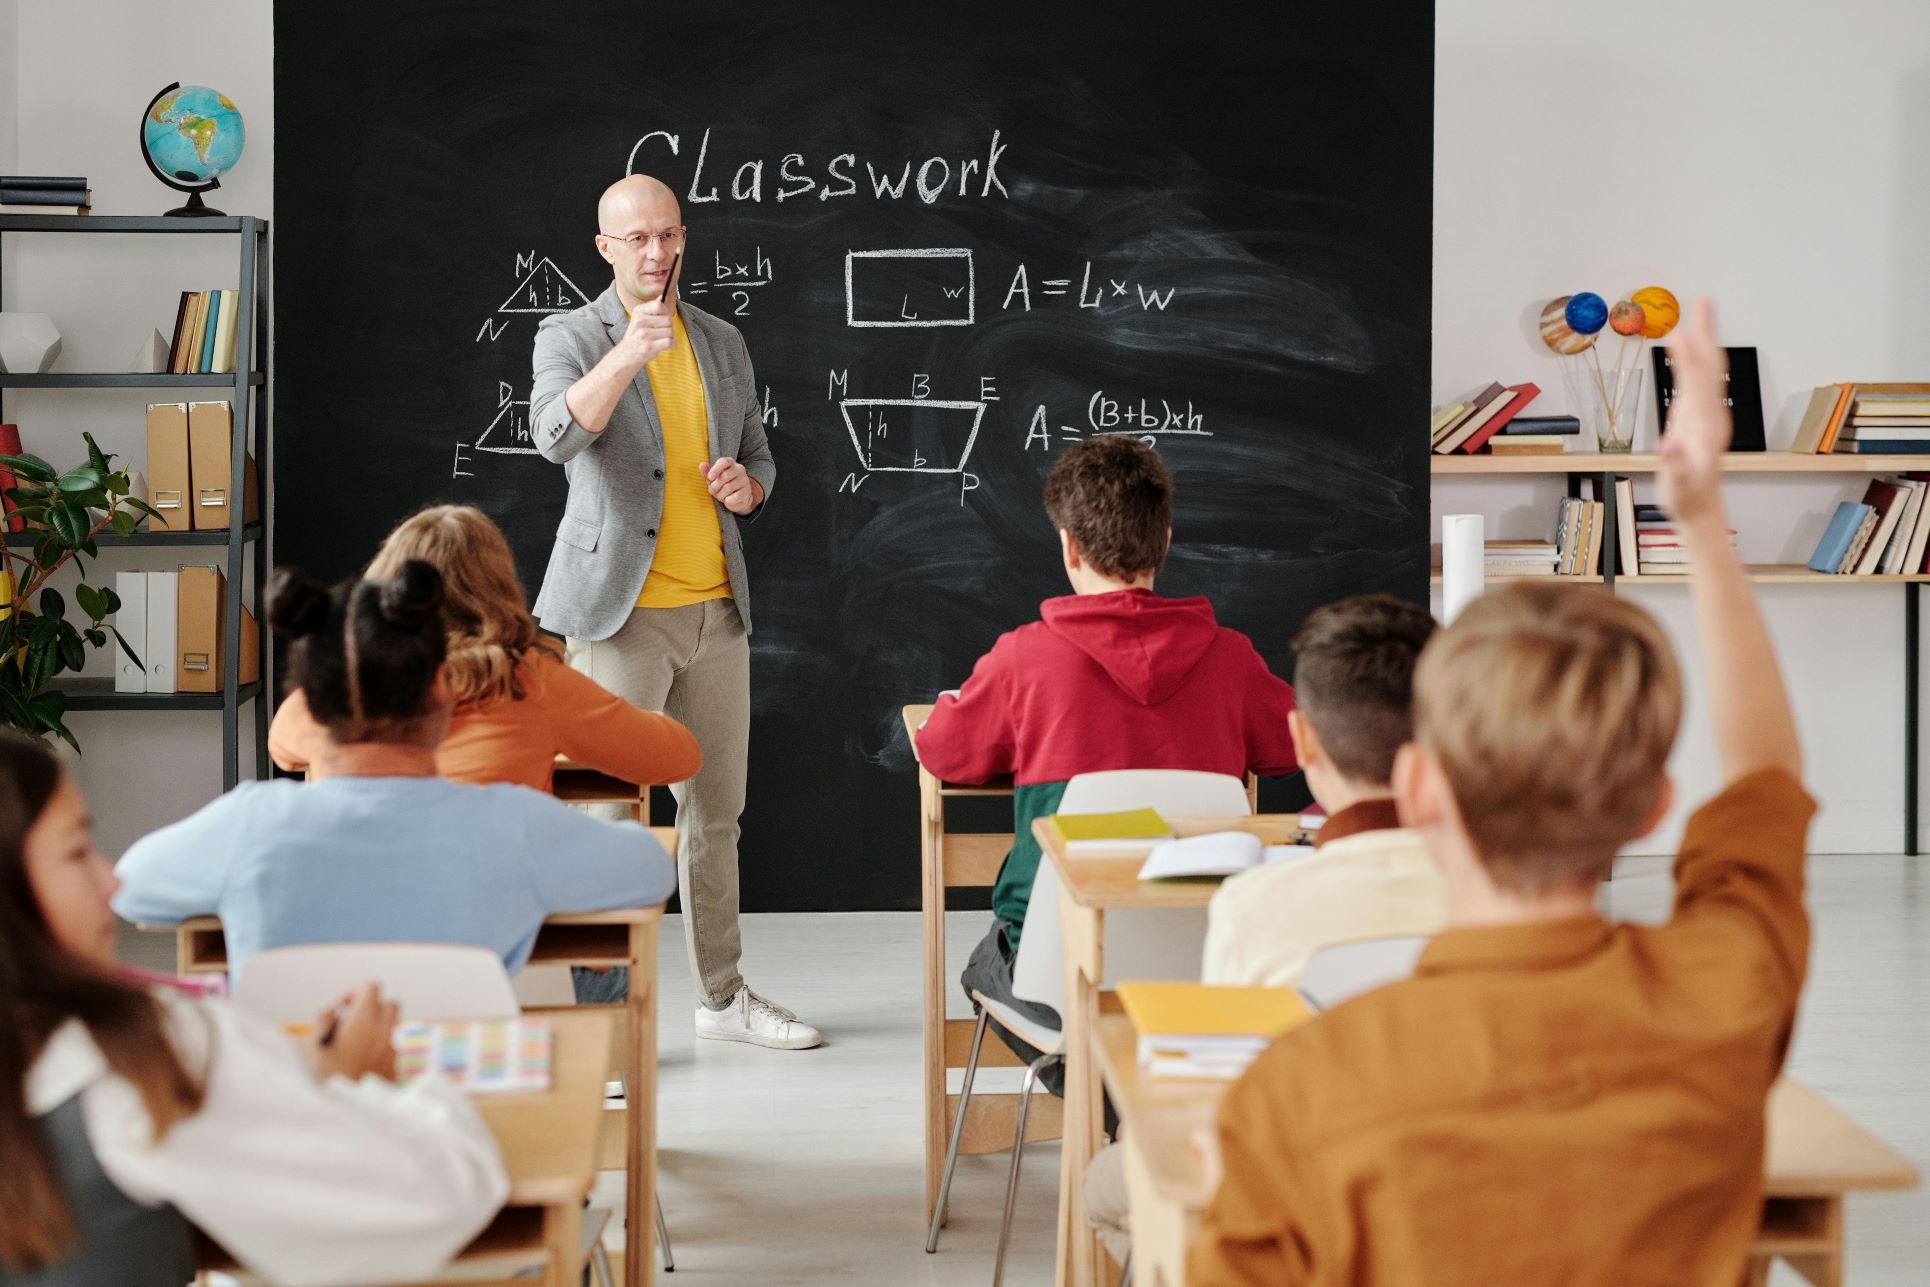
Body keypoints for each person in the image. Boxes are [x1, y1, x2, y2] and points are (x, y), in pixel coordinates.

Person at [1188, 301, 1814, 1286]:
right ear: (1650, 809)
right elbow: (1768, 789)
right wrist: (1698, 519)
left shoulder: (1302, 1088)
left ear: (1420, 783)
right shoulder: (1718, 998)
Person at [0, 731, 508, 1286]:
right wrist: (371, 1086)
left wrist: (307, 1078)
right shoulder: (143, 1054)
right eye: (77, 852)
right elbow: (439, 1196)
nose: (110, 879)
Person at [529, 173, 815, 1049]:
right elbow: (552, 436)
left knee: (716, 815)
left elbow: (760, 453)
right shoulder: (570, 333)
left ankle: (723, 999)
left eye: (668, 235)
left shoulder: (723, 341)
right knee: (608, 820)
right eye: (637, 240)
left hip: (717, 614)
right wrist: (627, 354)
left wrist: (748, 489)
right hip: (620, 616)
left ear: (682, 236)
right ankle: (599, 1020)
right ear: (606, 249)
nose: (657, 254)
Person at [915, 435, 1299, 1078]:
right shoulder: (1231, 658)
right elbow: (1288, 745)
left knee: (987, 964)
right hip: (1198, 965)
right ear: (1165, 538)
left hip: (1052, 972)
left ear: (1068, 545)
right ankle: (1131, 1112)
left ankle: (1099, 1097)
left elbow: (943, 752)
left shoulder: (1024, 658)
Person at [1084, 592, 1445, 1264]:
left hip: (1295, 1205)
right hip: (1456, 1188)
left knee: (1101, 1192)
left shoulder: (1257, 904)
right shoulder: (1503, 897)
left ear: (1304, 738)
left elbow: (1218, 1092)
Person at [112, 561, 675, 983]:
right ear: (441, 689)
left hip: (301, 1112)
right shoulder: (511, 825)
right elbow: (651, 871)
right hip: (462, 1113)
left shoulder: (249, 826)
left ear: (308, 701)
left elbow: (129, 888)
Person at [268, 504, 701, 793]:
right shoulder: (530, 680)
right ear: (498, 586)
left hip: (358, 918)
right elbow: (678, 758)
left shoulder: (344, 682)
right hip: (490, 917)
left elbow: (284, 749)